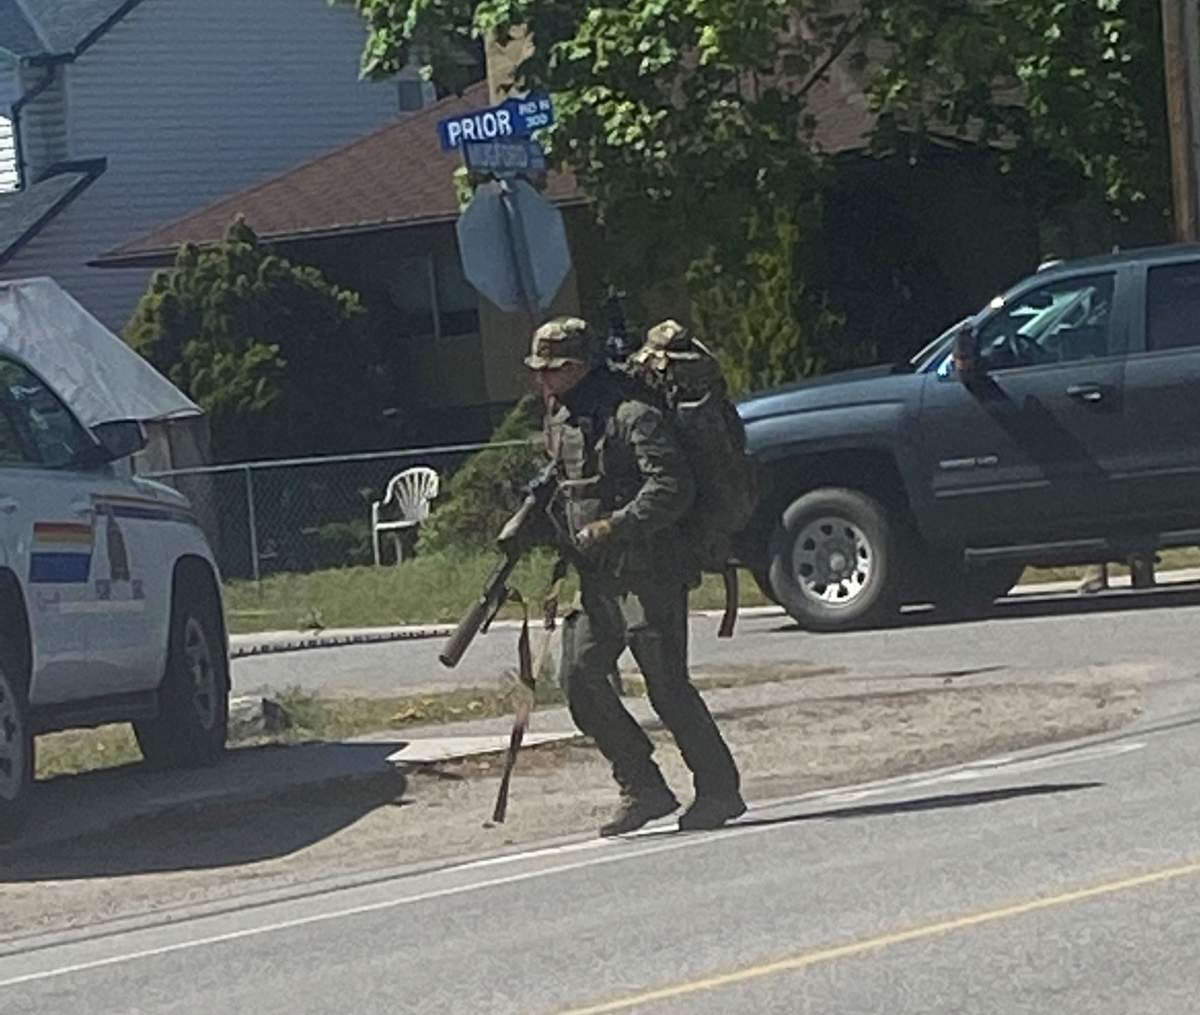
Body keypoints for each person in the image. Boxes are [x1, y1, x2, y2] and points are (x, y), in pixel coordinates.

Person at [526, 316, 745, 836]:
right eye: (539, 369)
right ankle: (643, 786)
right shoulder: (560, 418)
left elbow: (672, 488)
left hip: (650, 572)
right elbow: (567, 484)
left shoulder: (633, 415)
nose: (542, 379)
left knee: (667, 686)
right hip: (597, 578)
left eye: (553, 369)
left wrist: (613, 527)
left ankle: (719, 790)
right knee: (578, 676)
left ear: (579, 367)